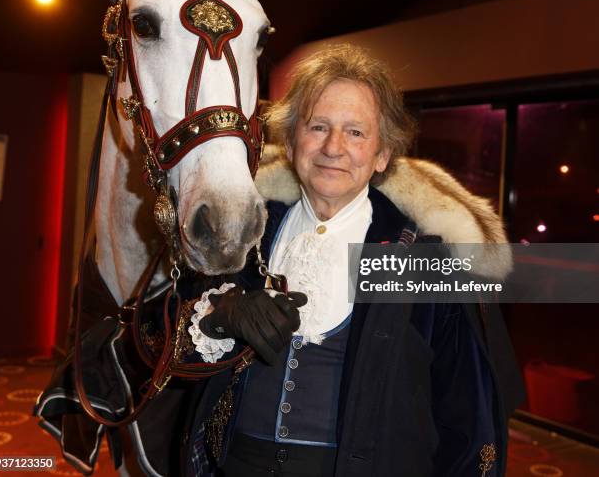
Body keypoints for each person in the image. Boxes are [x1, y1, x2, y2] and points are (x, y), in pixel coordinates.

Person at [182, 44, 524, 477]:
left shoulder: (419, 255)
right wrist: (217, 316)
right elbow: (169, 345)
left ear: (382, 155)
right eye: (317, 126)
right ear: (290, 141)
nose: (333, 147)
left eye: (356, 132)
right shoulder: (246, 233)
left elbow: (467, 410)